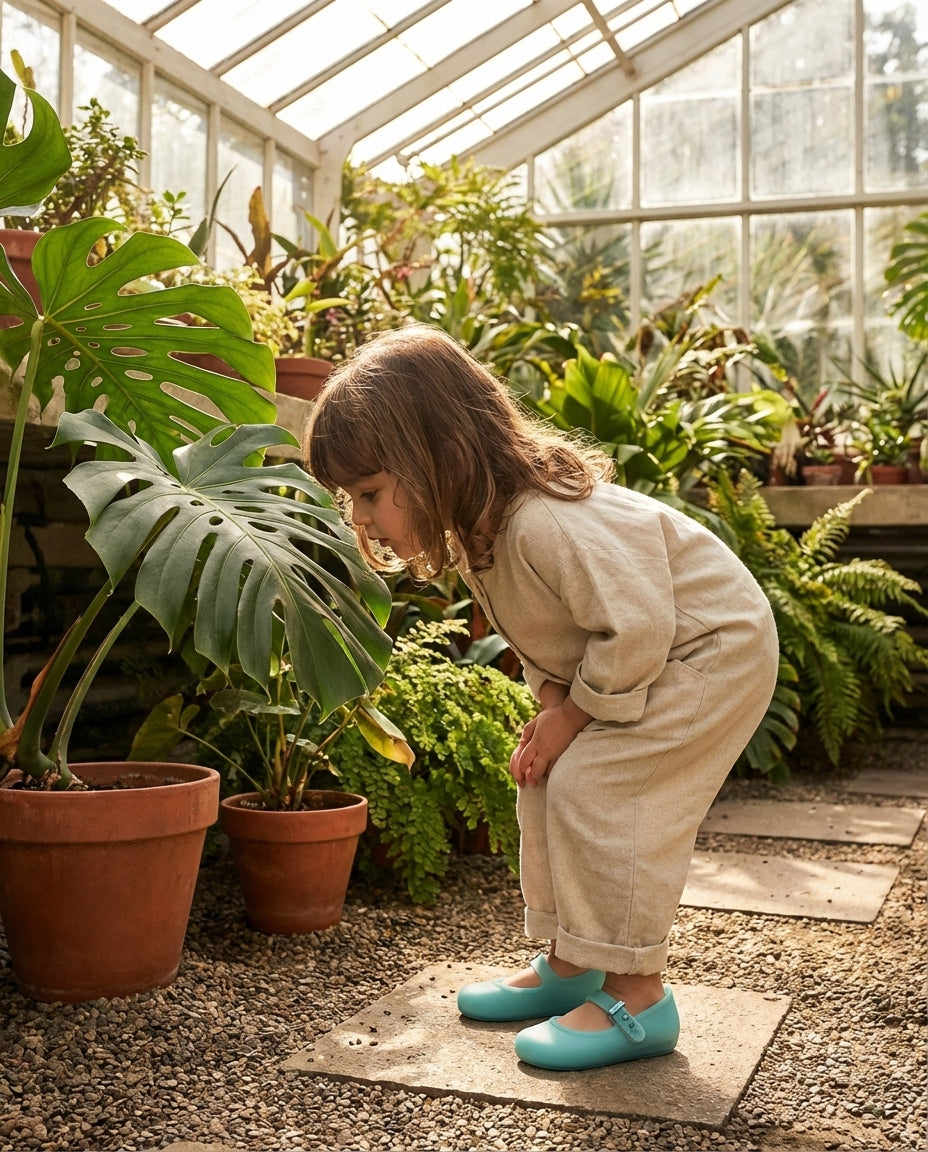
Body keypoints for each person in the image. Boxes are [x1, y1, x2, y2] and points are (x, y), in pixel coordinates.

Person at [304, 323, 780, 1072]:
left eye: (369, 493)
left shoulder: (544, 523)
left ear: (440, 459)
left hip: (708, 653)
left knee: (603, 789)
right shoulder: (484, 533)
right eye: (350, 498)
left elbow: (637, 625)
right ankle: (575, 963)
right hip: (644, 656)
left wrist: (574, 718)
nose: (360, 517)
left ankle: (638, 997)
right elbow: (555, 637)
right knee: (548, 775)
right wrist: (555, 709)